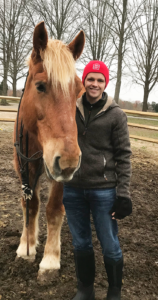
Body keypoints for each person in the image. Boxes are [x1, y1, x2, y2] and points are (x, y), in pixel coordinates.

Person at [63, 61, 132, 300]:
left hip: (104, 190)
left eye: (99, 80)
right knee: (81, 242)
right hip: (72, 189)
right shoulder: (69, 109)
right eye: (90, 79)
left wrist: (123, 194)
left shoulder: (116, 115)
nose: (94, 84)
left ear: (105, 84)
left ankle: (114, 291)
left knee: (110, 243)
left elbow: (124, 155)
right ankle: (85, 289)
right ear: (84, 80)